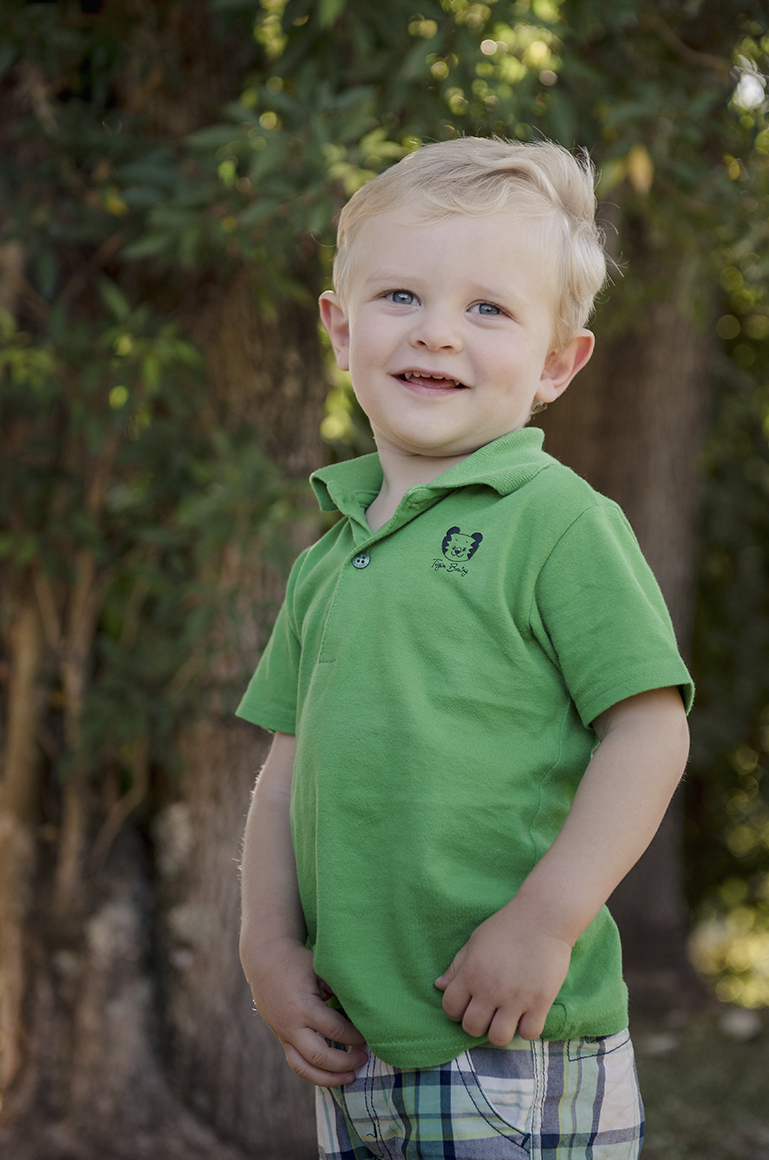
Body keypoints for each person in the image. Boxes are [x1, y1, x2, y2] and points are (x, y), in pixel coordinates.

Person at [237, 136, 693, 1160]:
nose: (436, 333)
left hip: (510, 1041)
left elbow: (649, 733)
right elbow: (285, 773)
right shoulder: (329, 557)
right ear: (340, 326)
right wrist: (265, 946)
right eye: (400, 296)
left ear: (554, 364)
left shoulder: (557, 523)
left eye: (486, 309)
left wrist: (545, 921)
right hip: (360, 1042)